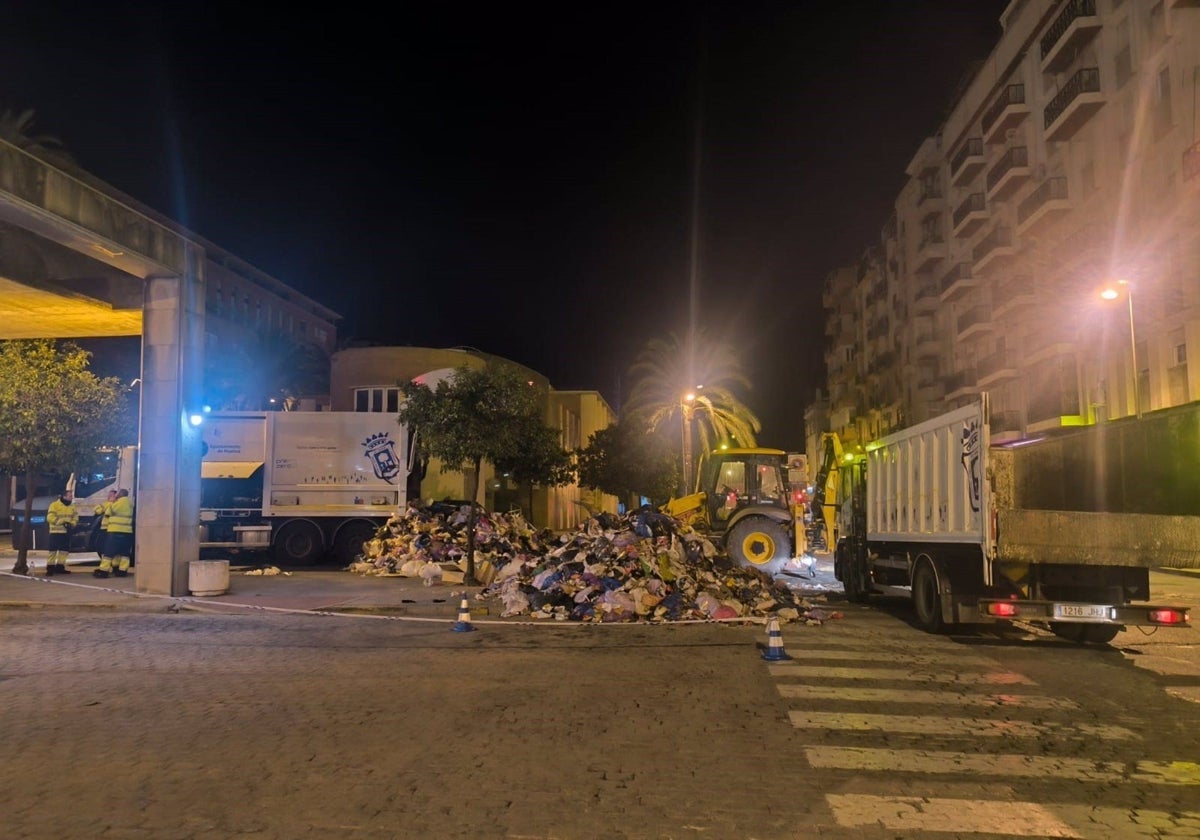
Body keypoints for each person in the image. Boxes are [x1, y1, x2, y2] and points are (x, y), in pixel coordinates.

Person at [94, 488, 134, 578]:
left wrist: (111, 502)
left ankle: (103, 571)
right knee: (124, 553)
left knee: (109, 552)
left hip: (115, 530)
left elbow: (108, 512)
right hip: (127, 531)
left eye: (116, 493)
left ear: (120, 494)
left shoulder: (118, 502)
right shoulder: (130, 503)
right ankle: (122, 571)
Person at [45, 488, 78, 575]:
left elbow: (75, 517)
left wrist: (72, 523)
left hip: (66, 532)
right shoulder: (54, 505)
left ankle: (60, 567)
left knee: (64, 551)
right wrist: (61, 522)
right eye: (70, 496)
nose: (72, 498)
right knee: (53, 551)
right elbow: (49, 517)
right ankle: (50, 569)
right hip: (55, 532)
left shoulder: (72, 506)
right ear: (64, 496)